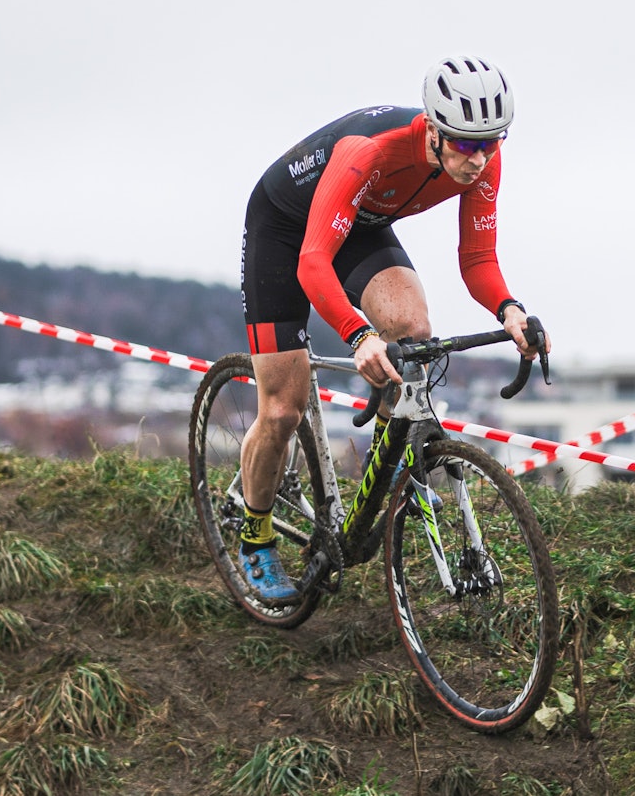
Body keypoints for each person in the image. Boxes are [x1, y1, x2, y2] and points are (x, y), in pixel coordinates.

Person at [235, 55, 549, 604]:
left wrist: (510, 310)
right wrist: (358, 336)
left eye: (492, 143)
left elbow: (477, 259)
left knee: (413, 329)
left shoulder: (484, 161)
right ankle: (255, 535)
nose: (478, 159)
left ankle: (375, 484)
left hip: (360, 224)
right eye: (466, 144)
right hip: (285, 230)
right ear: (432, 129)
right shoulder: (371, 152)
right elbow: (312, 261)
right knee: (282, 409)